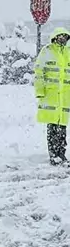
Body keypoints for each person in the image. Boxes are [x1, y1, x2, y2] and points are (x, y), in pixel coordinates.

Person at [34, 27, 70, 166]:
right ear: (55, 37)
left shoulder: (68, 52)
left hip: (65, 97)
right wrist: (40, 91)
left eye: (65, 37)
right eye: (60, 36)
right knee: (52, 126)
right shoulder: (47, 51)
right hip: (51, 96)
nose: (62, 39)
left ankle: (61, 153)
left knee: (62, 127)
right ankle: (53, 154)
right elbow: (39, 72)